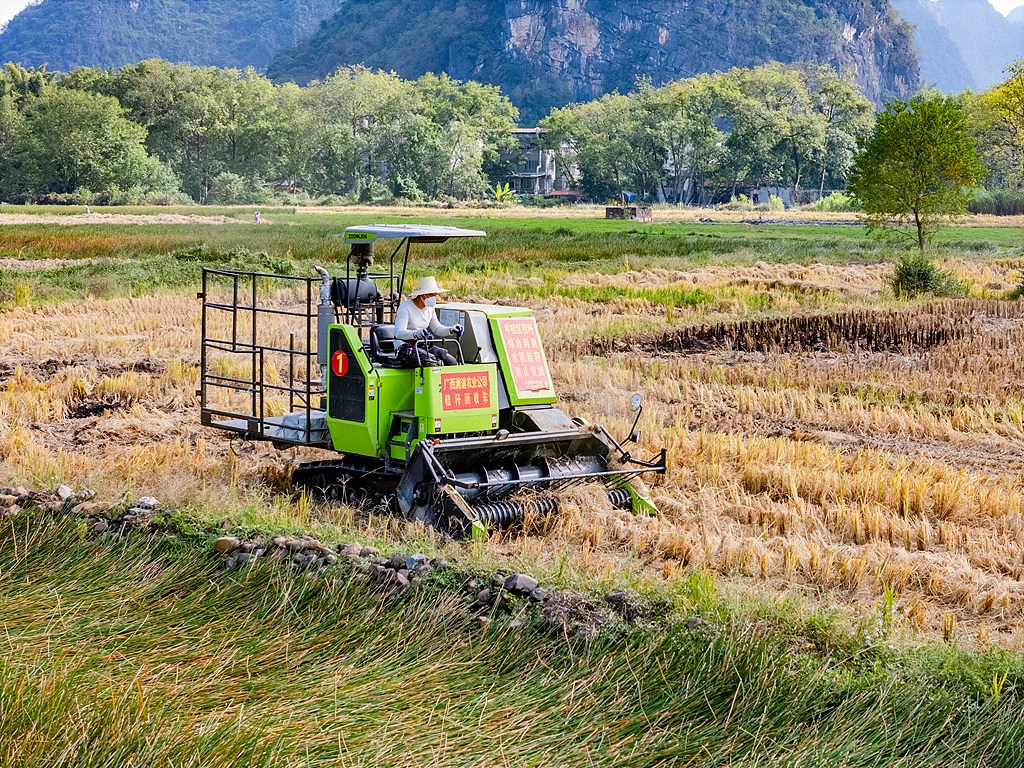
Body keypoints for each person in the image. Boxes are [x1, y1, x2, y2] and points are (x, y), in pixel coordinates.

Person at [394, 276, 463, 366]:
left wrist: (451, 329)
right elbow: (398, 333)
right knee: (430, 362)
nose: (434, 298)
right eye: (431, 295)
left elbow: (437, 328)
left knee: (451, 362)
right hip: (405, 347)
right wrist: (415, 334)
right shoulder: (405, 307)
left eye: (435, 295)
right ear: (422, 295)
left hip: (423, 345)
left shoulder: (430, 308)